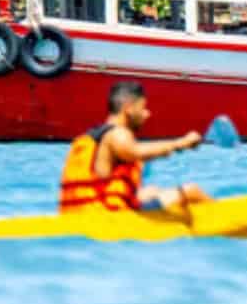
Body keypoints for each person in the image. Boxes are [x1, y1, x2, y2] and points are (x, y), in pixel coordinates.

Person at [59, 81, 209, 214]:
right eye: (143, 108)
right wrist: (181, 143)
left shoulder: (92, 137)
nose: (147, 114)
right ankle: (224, 220)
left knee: (151, 191)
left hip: (79, 216)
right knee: (191, 191)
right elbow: (136, 152)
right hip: (108, 219)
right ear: (129, 108)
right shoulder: (117, 134)